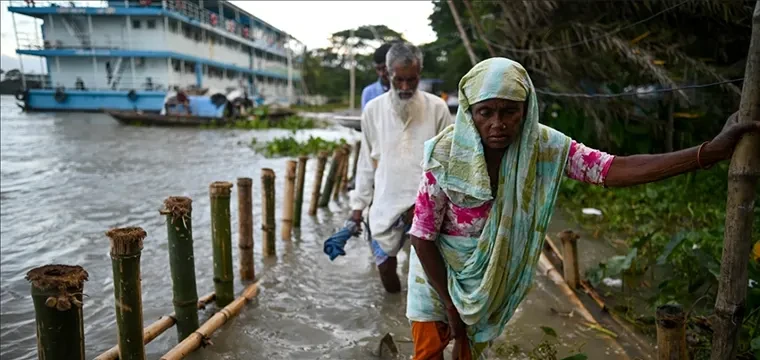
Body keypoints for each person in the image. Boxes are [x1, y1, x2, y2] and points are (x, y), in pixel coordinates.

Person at [405, 57, 759, 360]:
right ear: (470, 113)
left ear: (526, 110)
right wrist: (450, 306)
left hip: (488, 281)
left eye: (509, 112)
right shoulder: (445, 155)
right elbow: (421, 238)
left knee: (470, 352)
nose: (497, 124)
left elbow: (612, 169)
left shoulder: (542, 145)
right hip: (436, 274)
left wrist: (707, 153)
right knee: (429, 352)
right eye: (486, 113)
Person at [350, 42, 452, 293]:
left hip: (427, 205)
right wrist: (357, 207)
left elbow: (449, 163)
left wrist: (428, 203)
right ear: (387, 73)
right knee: (385, 270)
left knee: (430, 277)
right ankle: (393, 314)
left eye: (412, 80)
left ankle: (420, 322)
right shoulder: (373, 110)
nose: (405, 87)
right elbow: (366, 161)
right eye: (399, 80)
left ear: (420, 74)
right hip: (386, 202)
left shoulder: (438, 108)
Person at [360, 43, 394, 111]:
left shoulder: (406, 90)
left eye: (385, 68)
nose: (381, 74)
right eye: (378, 69)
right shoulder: (368, 92)